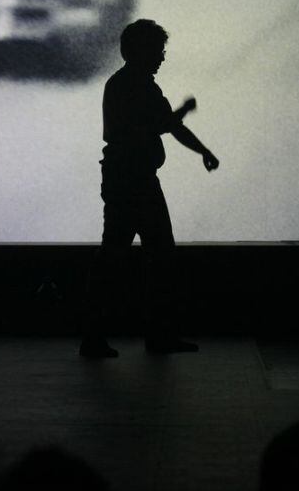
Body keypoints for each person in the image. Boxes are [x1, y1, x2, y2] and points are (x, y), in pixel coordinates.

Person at [80, 19, 219, 358]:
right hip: (133, 182)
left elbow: (165, 125)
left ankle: (104, 336)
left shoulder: (131, 84)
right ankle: (152, 336)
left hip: (130, 179)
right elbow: (163, 124)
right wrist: (189, 121)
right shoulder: (134, 85)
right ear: (139, 51)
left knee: (124, 257)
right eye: (157, 50)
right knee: (150, 257)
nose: (162, 57)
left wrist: (201, 148)